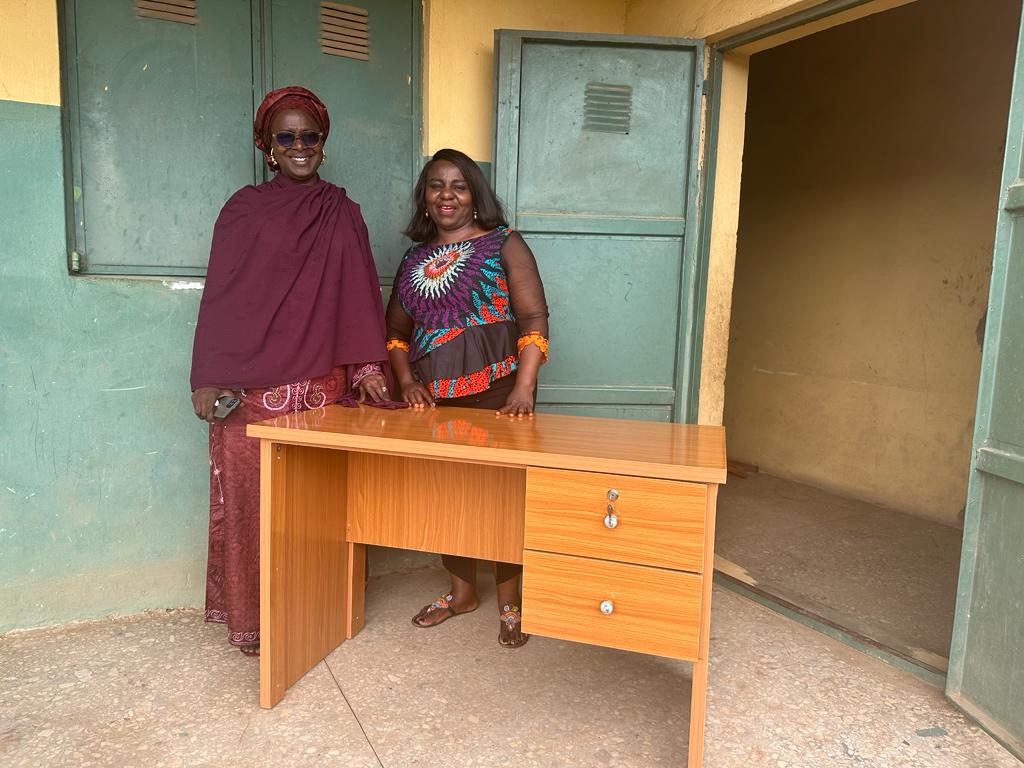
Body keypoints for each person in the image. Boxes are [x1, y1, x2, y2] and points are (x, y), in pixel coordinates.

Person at [189, 86, 391, 656]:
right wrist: (209, 376)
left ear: (324, 145)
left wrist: (370, 366)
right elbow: (223, 298)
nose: (300, 146)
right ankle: (255, 623)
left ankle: (314, 614)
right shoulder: (243, 208)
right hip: (248, 392)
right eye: (287, 137)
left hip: (321, 388)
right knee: (255, 506)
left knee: (321, 508)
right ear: (268, 147)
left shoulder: (342, 211)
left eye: (311, 137)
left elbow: (357, 296)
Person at [385, 148, 550, 648]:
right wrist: (407, 382)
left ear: (475, 195)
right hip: (435, 402)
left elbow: (533, 320)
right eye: (437, 185)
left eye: (458, 185)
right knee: (449, 499)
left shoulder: (505, 243)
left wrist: (523, 389)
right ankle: (461, 594)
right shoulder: (413, 258)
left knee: (502, 501)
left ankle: (509, 603)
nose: (447, 195)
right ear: (425, 197)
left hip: (502, 397)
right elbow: (395, 332)